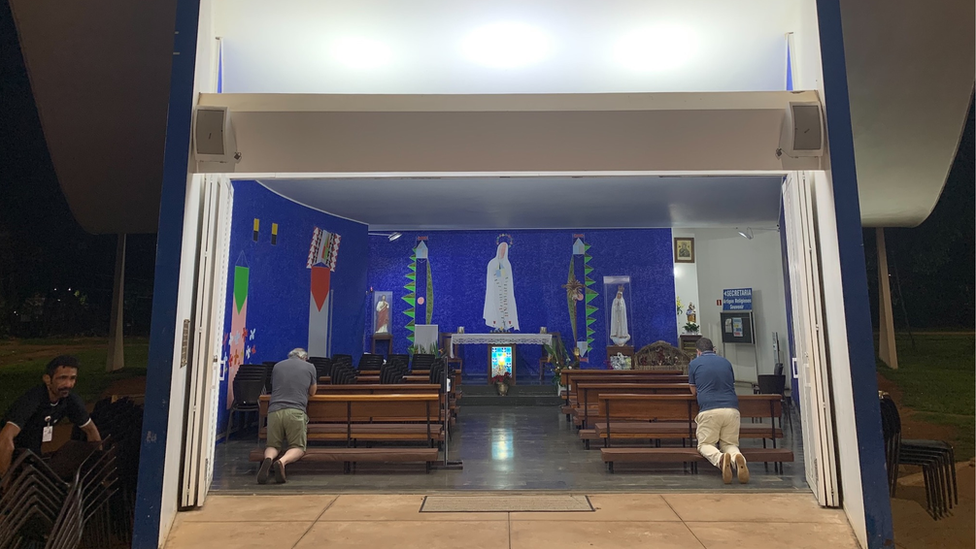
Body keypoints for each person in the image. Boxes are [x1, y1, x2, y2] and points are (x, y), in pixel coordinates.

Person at [0, 355, 102, 477]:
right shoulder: (32, 400)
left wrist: (99, 467)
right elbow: (5, 437)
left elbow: (91, 430)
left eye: (72, 378)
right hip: (7, 455)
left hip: (31, 454)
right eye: (62, 378)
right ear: (48, 379)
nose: (68, 384)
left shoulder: (70, 400)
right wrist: (4, 480)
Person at [687, 338, 749, 484]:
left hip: (709, 409)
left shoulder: (694, 363)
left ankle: (721, 459)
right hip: (732, 409)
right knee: (729, 444)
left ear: (698, 352)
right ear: (713, 349)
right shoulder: (726, 362)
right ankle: (737, 459)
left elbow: (693, 391)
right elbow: (731, 384)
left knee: (705, 444)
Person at [256, 348, 317, 484]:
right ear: (304, 357)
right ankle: (281, 462)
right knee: (298, 447)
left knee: (273, 445)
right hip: (296, 410)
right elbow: (312, 392)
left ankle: (269, 459)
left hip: (274, 410)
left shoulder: (277, 366)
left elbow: (275, 385)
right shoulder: (310, 367)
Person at [483, 240, 519, 331]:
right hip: (495, 291)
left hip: (505, 292)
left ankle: (505, 326)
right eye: (501, 249)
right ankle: (497, 326)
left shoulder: (507, 264)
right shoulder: (493, 263)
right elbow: (493, 277)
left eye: (504, 250)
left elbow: (507, 278)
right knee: (495, 308)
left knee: (506, 309)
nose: (502, 252)